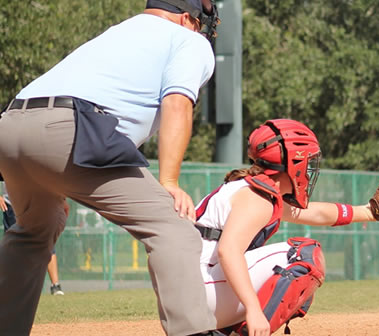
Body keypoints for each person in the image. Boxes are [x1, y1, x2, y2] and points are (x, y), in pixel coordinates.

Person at [0, 1, 221, 334]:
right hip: (71, 127)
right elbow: (177, 103)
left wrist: (50, 178)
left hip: (12, 123)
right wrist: (170, 181)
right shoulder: (189, 40)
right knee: (174, 229)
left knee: (36, 229)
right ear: (188, 18)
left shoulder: (119, 32)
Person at [194, 119, 379, 335]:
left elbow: (314, 212)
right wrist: (253, 309)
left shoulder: (251, 189)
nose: (308, 170)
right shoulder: (256, 198)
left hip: (191, 293)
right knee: (304, 254)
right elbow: (228, 251)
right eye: (307, 162)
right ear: (292, 163)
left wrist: (370, 212)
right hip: (202, 292)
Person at [1, 188, 67, 295]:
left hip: (39, 203)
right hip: (12, 206)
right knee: (14, 248)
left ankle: (55, 286)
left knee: (46, 242)